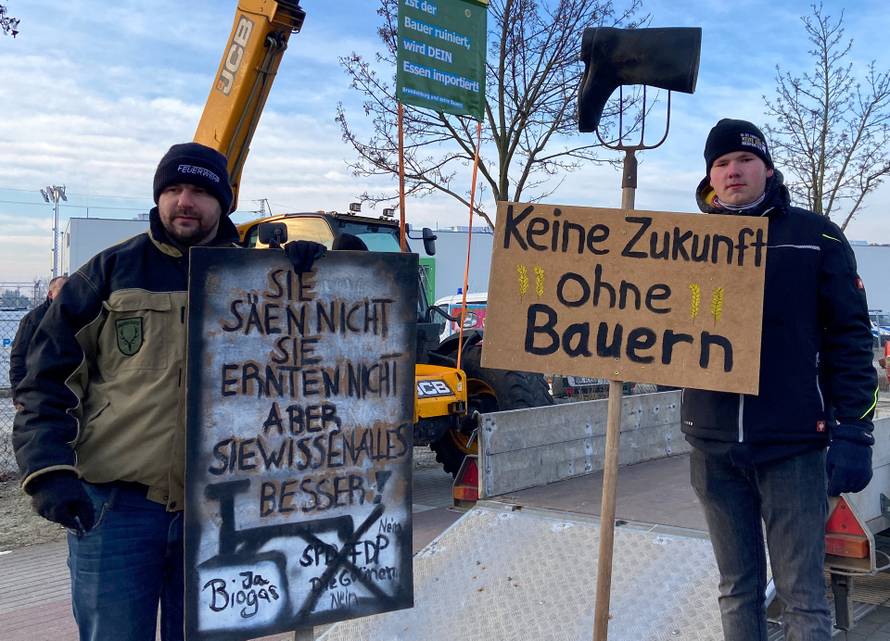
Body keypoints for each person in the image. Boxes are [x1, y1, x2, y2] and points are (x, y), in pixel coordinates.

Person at [12, 142, 239, 641]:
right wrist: (48, 470)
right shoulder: (108, 273)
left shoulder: (259, 278)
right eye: (174, 189)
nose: (185, 200)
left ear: (225, 201)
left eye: (200, 190)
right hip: (115, 509)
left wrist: (315, 276)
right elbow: (45, 378)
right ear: (158, 197)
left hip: (223, 510)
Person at [682, 119, 877, 641]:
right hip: (713, 444)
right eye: (720, 164)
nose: (732, 171)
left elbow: (852, 338)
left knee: (802, 595)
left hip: (792, 445)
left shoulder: (816, 235)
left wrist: (855, 431)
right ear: (710, 177)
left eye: (743, 160)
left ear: (766, 168)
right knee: (736, 589)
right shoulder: (682, 245)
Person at [8, 275, 67, 407]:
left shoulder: (75, 318)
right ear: (51, 294)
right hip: (38, 394)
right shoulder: (33, 320)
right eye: (62, 290)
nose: (67, 294)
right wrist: (18, 396)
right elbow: (18, 357)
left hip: (67, 394)